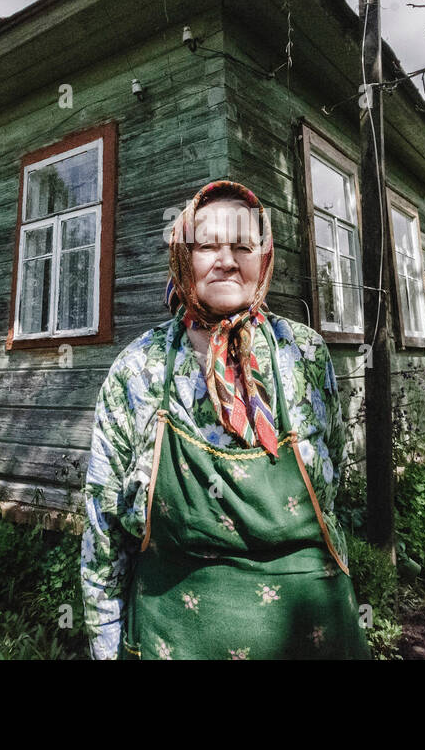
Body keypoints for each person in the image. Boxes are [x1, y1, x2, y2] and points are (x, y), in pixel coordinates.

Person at [80, 179, 370, 660]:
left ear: (265, 256)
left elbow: (335, 476)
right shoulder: (139, 369)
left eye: (243, 245)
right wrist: (106, 644)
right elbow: (103, 527)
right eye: (208, 245)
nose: (227, 259)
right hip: (175, 637)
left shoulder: (305, 354)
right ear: (182, 257)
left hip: (315, 637)